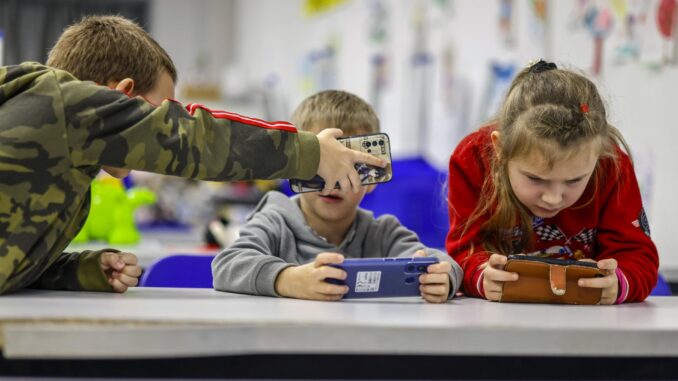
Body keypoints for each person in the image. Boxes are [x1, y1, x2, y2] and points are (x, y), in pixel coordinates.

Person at [0, 16, 384, 295]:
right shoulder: (64, 103)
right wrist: (312, 152)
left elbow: (13, 260)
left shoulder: (68, 166)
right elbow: (196, 139)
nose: (165, 121)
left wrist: (78, 271)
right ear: (124, 96)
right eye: (159, 110)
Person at [212, 90, 462, 303]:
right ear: (293, 168)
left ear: (372, 181)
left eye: (351, 168)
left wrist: (442, 277)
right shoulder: (276, 221)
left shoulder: (382, 233)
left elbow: (443, 262)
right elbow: (227, 265)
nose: (332, 183)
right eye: (318, 167)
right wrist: (288, 280)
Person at [446, 60, 659, 304]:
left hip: (587, 321)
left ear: (598, 158)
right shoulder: (472, 159)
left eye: (574, 181)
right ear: (500, 149)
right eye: (535, 179)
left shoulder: (611, 165)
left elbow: (638, 257)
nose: (553, 198)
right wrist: (481, 277)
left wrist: (618, 283)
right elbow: (464, 252)